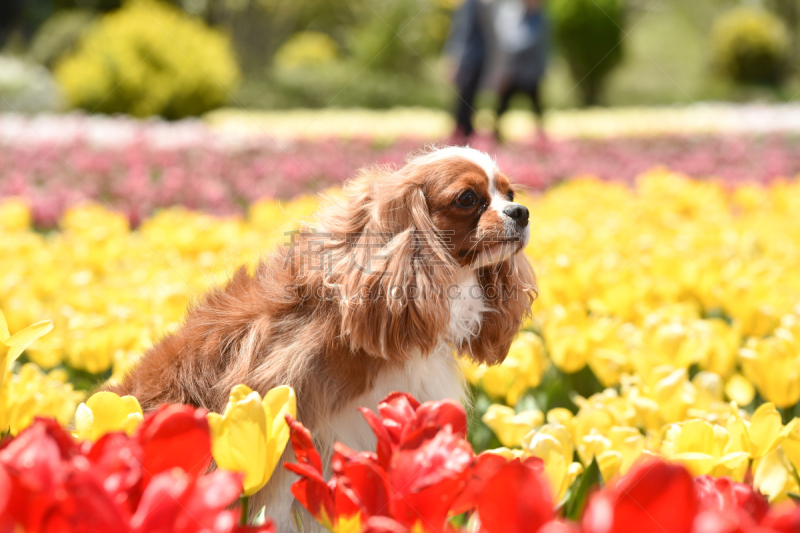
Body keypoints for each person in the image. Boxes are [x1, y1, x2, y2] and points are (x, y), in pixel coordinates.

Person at [494, 0, 548, 142]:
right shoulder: (512, 15)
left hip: (532, 73)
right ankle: (495, 136)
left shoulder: (541, 18)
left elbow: (538, 44)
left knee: (537, 108)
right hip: (514, 72)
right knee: (501, 107)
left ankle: (541, 137)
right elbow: (506, 40)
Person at [446, 0, 495, 142]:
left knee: (467, 99)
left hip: (475, 60)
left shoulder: (481, 5)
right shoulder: (466, 5)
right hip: (467, 59)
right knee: (463, 99)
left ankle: (464, 133)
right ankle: (462, 132)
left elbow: (487, 35)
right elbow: (459, 33)